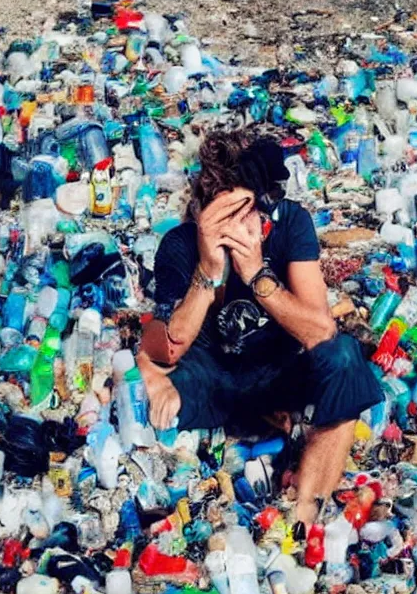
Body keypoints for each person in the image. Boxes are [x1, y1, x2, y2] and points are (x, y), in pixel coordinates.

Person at [136, 129, 382, 532]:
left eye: (248, 212)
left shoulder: (290, 225)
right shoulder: (180, 244)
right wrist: (208, 271)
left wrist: (257, 275)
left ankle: (303, 513)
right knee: (146, 401)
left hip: (278, 370)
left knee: (344, 361)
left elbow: (320, 329)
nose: (241, 227)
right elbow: (169, 347)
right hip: (214, 376)